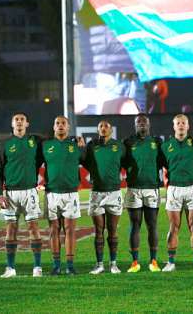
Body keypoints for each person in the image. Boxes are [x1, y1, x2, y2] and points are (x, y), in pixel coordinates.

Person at [0, 112, 43, 278]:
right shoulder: (4, 144)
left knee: (33, 227)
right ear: (12, 123)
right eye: (16, 120)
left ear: (27, 124)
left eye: (22, 119)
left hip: (30, 191)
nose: (19, 122)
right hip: (11, 194)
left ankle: (37, 267)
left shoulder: (35, 141)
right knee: (11, 228)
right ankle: (10, 268)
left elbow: (56, 142)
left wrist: (73, 139)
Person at [160, 114, 193, 272]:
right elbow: (164, 165)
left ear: (188, 126)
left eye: (183, 123)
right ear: (174, 126)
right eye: (178, 123)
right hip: (174, 189)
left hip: (192, 188)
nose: (180, 125)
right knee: (174, 227)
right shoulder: (166, 146)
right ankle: (171, 262)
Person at [42, 116, 86, 275]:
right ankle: (56, 266)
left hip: (71, 194)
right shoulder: (46, 145)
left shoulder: (75, 145)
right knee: (54, 230)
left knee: (70, 230)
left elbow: (87, 161)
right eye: (57, 123)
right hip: (51, 194)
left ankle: (70, 265)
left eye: (63, 123)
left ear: (68, 128)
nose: (60, 126)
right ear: (53, 127)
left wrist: (82, 145)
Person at [123, 114, 164, 273]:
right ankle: (135, 262)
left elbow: (163, 162)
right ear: (135, 125)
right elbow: (121, 161)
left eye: (144, 122)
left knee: (152, 224)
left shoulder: (156, 142)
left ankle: (153, 261)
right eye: (138, 122)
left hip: (152, 187)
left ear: (149, 124)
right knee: (135, 225)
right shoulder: (128, 142)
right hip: (134, 188)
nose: (141, 124)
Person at [83, 120, 126, 274]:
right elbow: (85, 161)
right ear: (97, 129)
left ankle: (113, 264)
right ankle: (99, 264)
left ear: (111, 130)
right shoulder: (91, 145)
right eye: (101, 126)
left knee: (113, 230)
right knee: (99, 230)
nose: (103, 128)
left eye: (106, 126)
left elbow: (124, 162)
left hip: (114, 192)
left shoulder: (119, 146)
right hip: (96, 192)